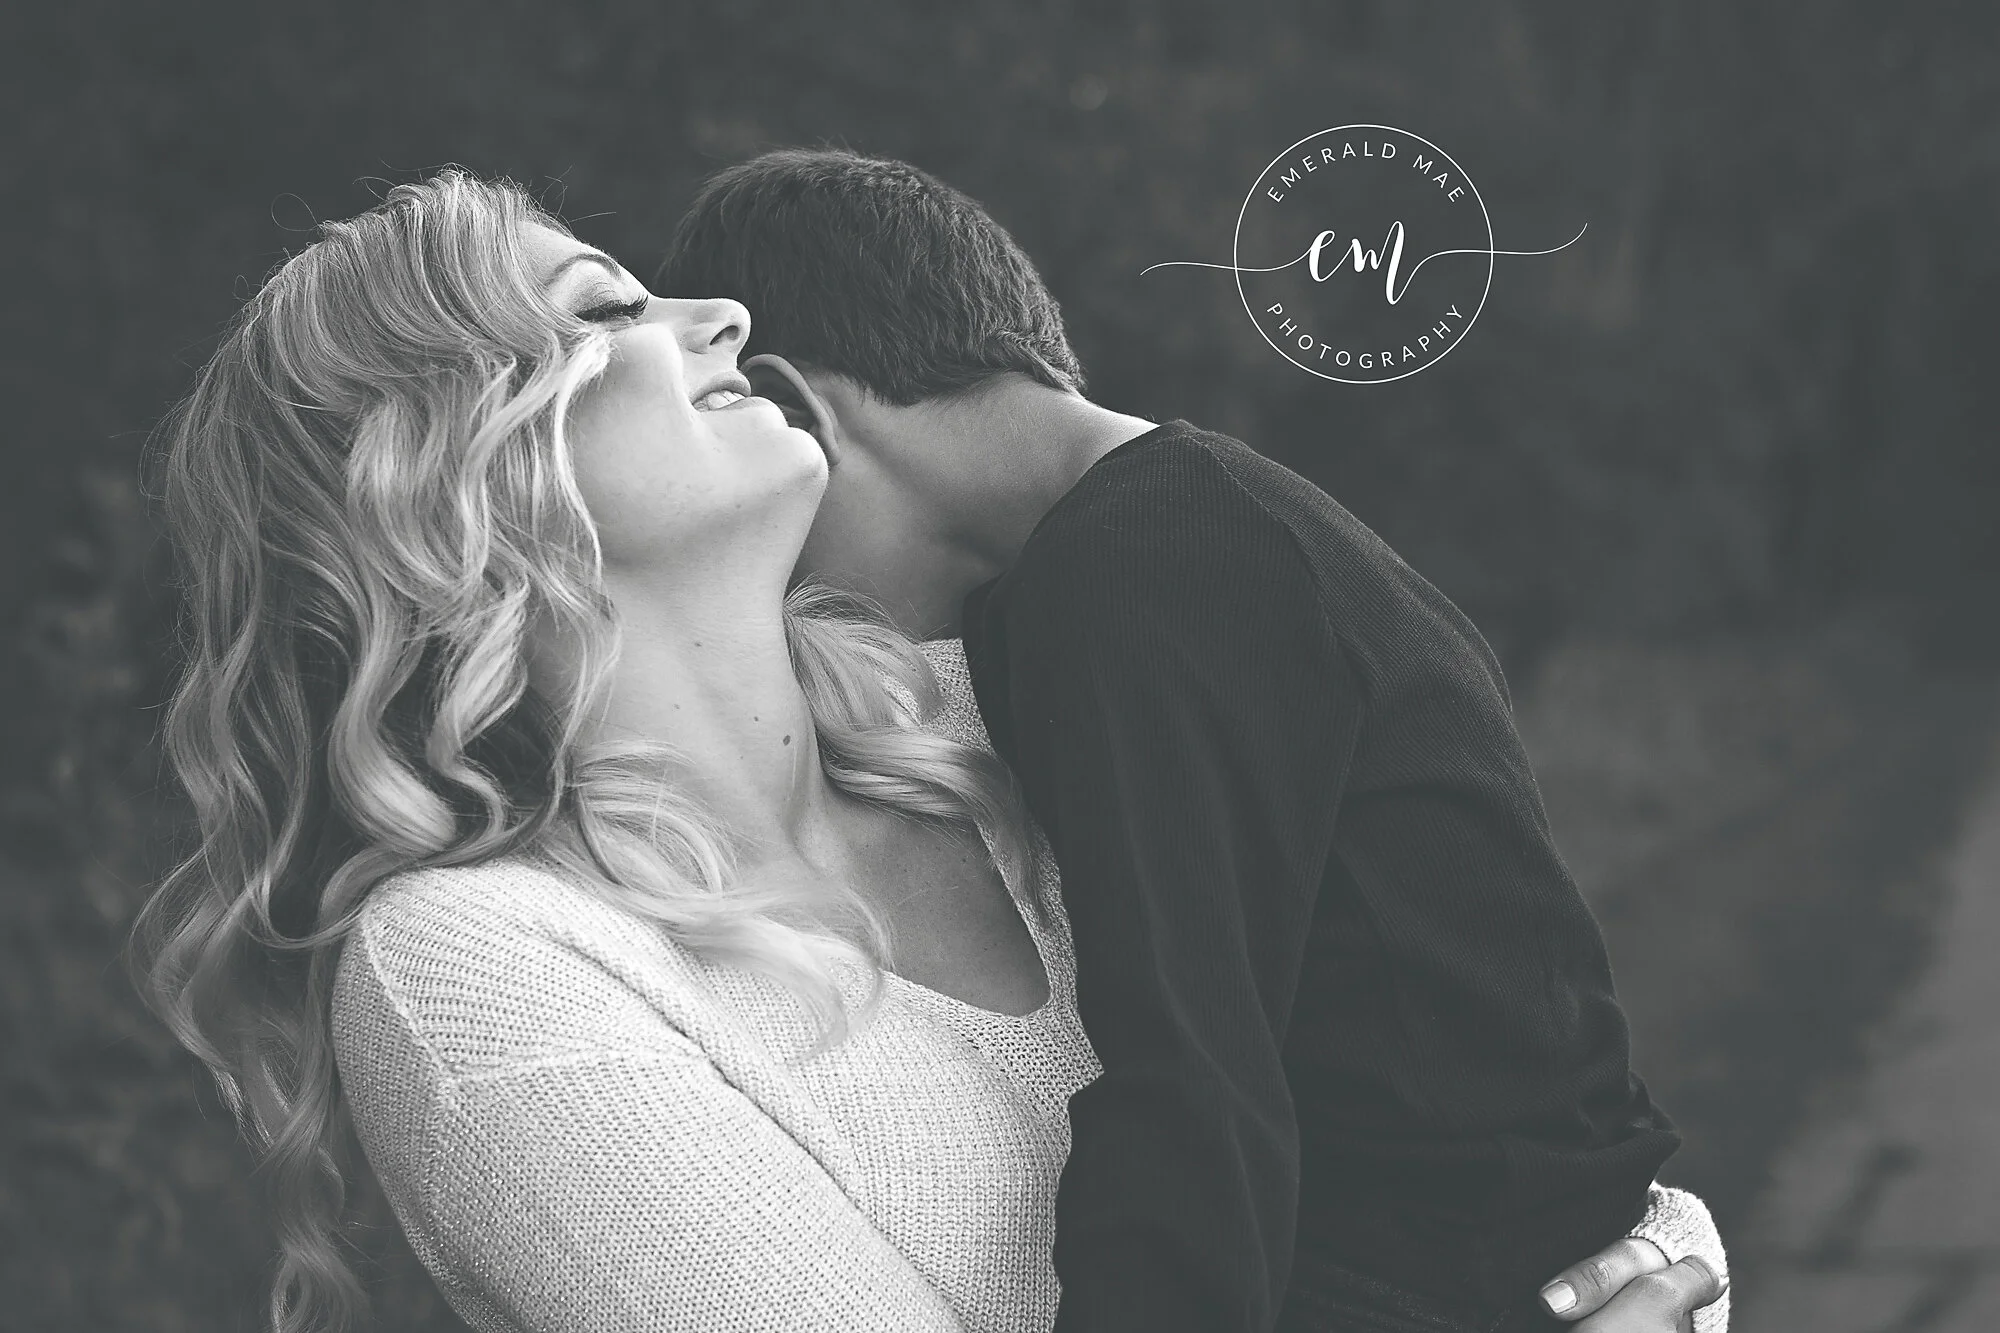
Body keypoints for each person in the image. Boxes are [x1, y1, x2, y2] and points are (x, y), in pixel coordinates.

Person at [133, 169, 1720, 1333]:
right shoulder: (490, 971)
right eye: (609, 307)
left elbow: (1455, 1042)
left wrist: (1638, 1235)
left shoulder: (1012, 716)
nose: (726, 318)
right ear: (451, 481)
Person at [658, 149, 1732, 1333]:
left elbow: (1194, 1090)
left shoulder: (1134, 573)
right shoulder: (1209, 519)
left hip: (1440, 1279)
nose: (791, 602)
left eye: (788, 563)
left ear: (792, 407)